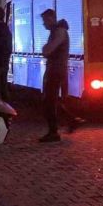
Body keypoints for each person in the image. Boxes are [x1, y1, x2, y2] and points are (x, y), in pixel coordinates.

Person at [39, 9, 69, 142]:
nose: (44, 24)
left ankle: (53, 132)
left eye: (45, 21)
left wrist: (45, 48)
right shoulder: (57, 31)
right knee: (51, 100)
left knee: (49, 101)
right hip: (55, 69)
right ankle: (72, 120)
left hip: (56, 70)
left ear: (51, 19)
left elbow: (47, 50)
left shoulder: (59, 32)